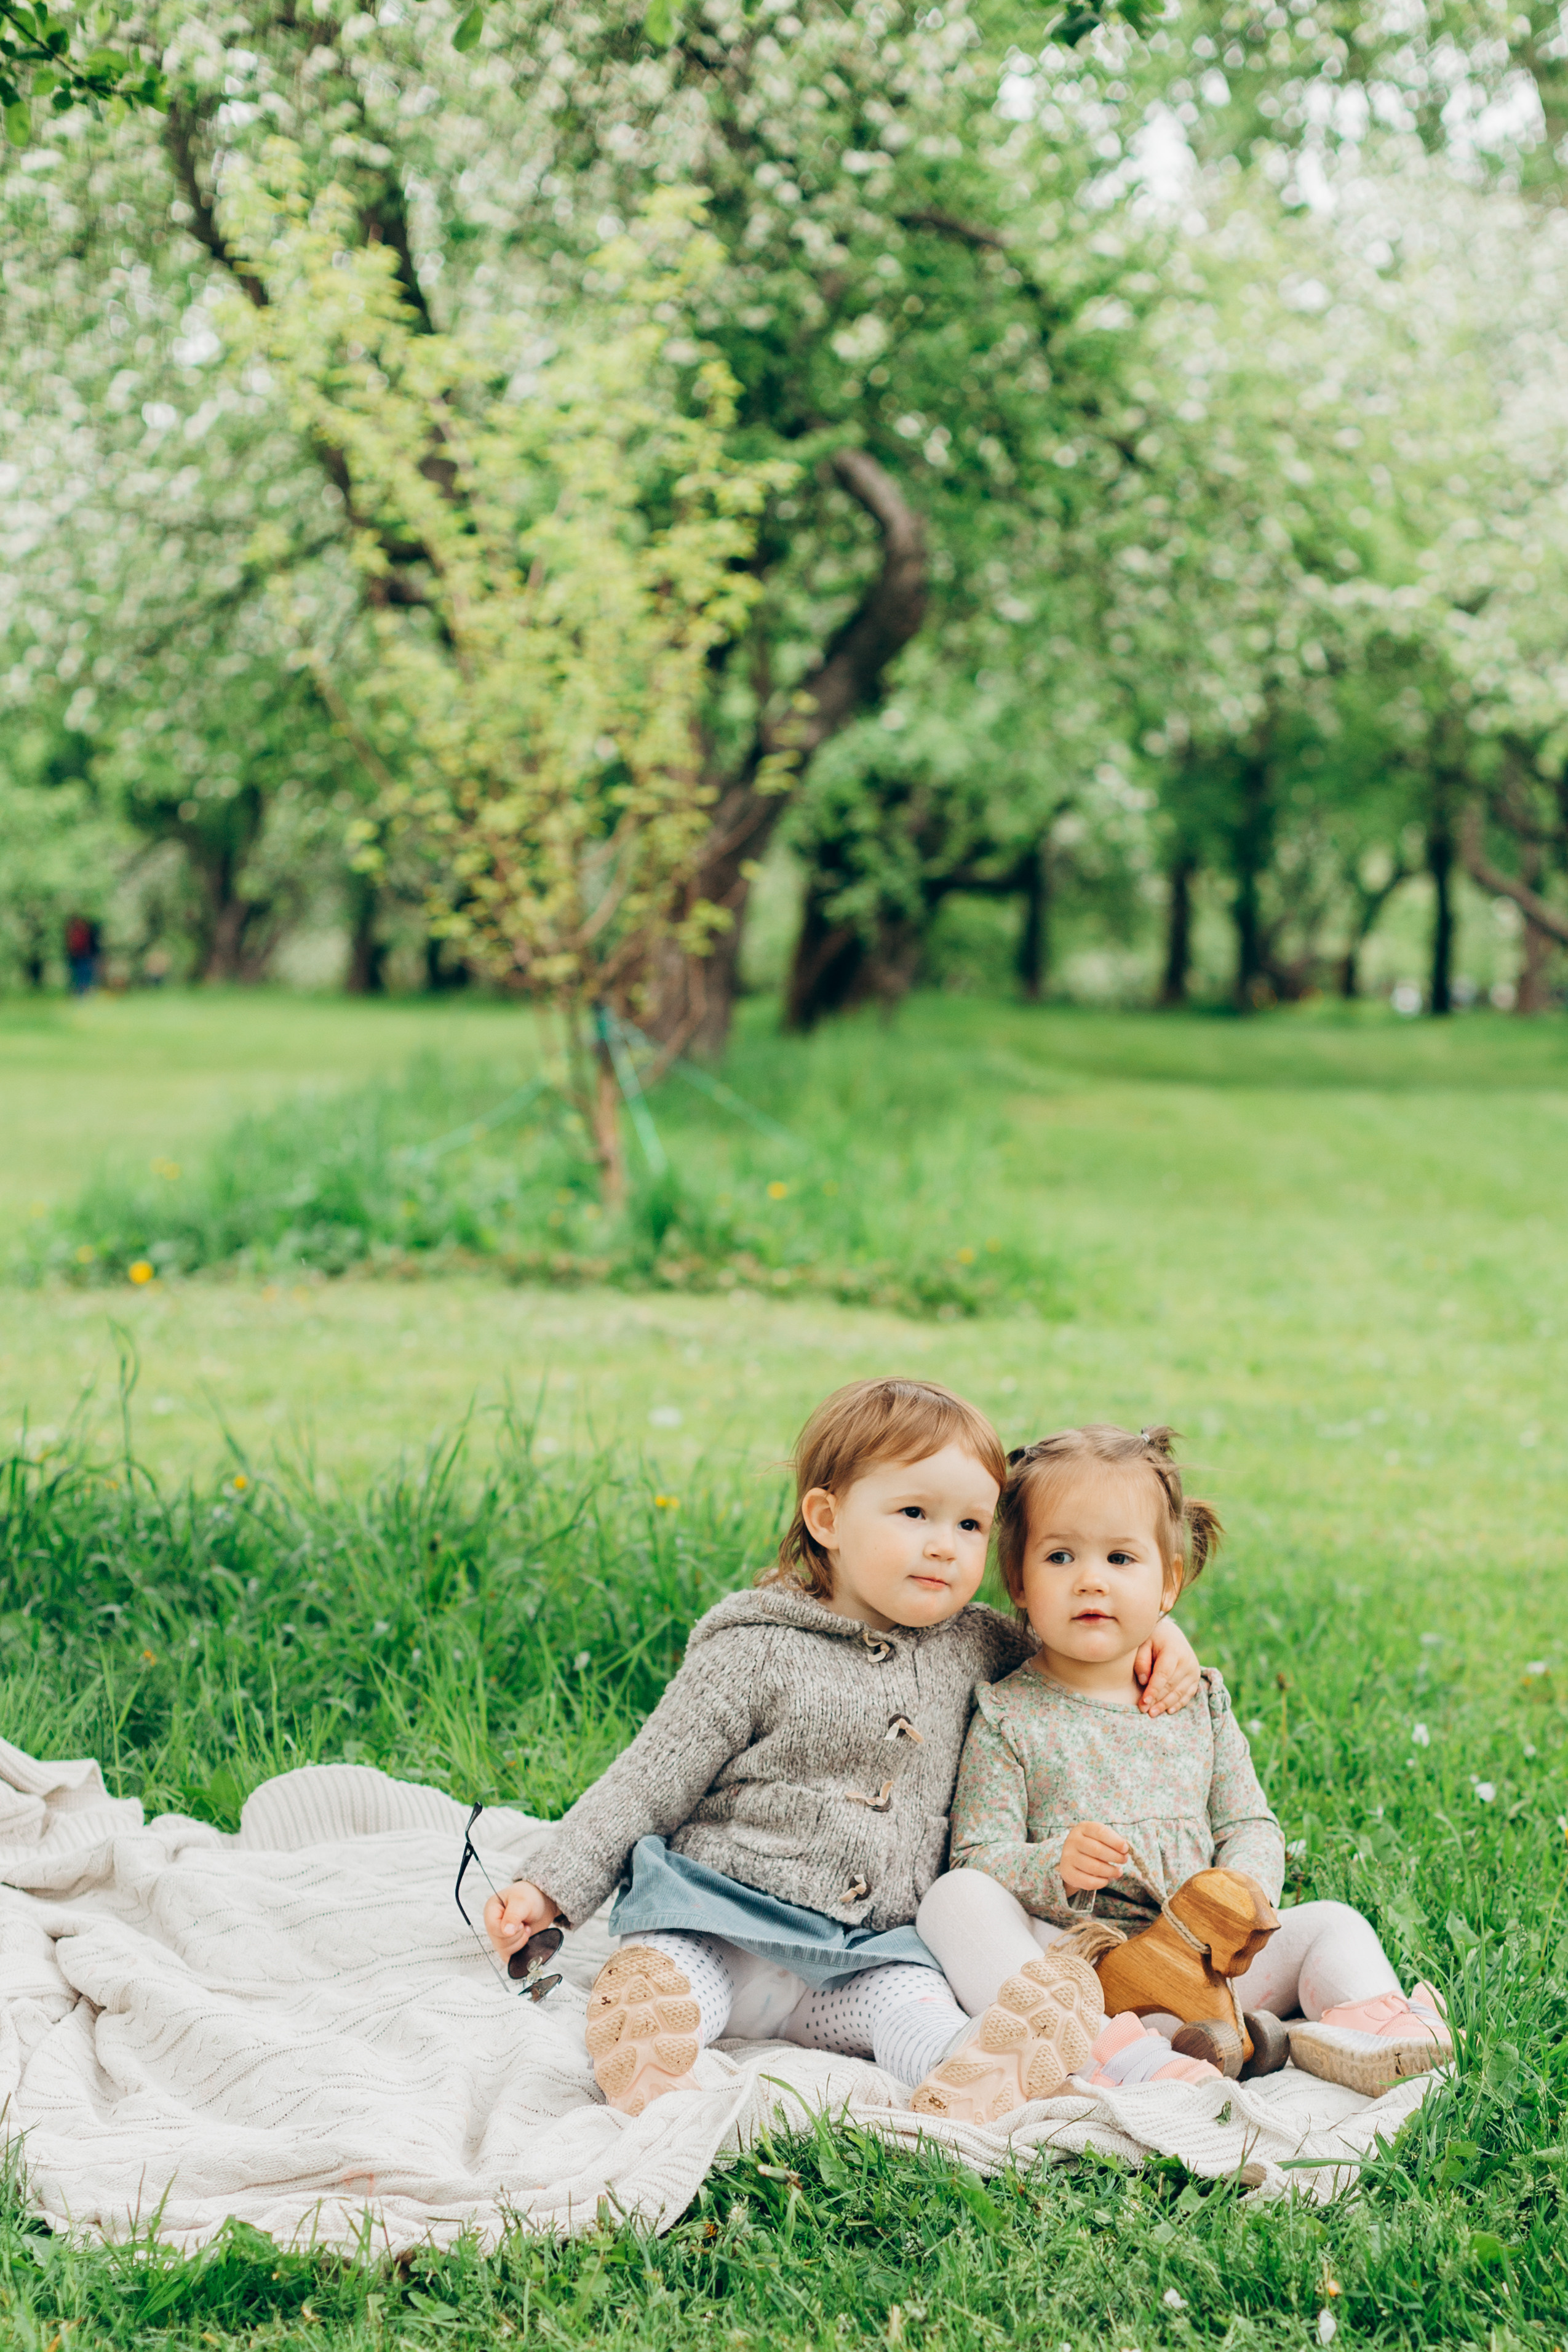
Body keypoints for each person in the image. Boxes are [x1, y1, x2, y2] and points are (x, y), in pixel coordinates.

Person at [484, 1379, 1201, 2115]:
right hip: (724, 1918)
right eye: (914, 1513)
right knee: (672, 1972)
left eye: (969, 1525)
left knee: (915, 2006)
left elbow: (1077, 1636)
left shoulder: (978, 1644)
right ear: (826, 1518)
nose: (942, 1544)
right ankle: (649, 2046)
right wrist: (551, 1889)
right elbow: (646, 1782)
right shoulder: (756, 1647)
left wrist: (1155, 1630)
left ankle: (965, 2073)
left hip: (868, 1950)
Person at [910, 1424, 1451, 2118]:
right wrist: (1056, 1864)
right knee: (955, 1899)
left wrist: (1240, 1901)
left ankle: (1370, 2029)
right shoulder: (1010, 1715)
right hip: (1087, 1966)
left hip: (1210, 1962)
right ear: (1018, 1578)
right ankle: (1112, 2053)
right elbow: (977, 1852)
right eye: (1059, 1555)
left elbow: (1248, 1821)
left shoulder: (1196, 1701)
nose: (1090, 1579)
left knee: (1331, 1923)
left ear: (1167, 1581)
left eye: (1120, 1557)